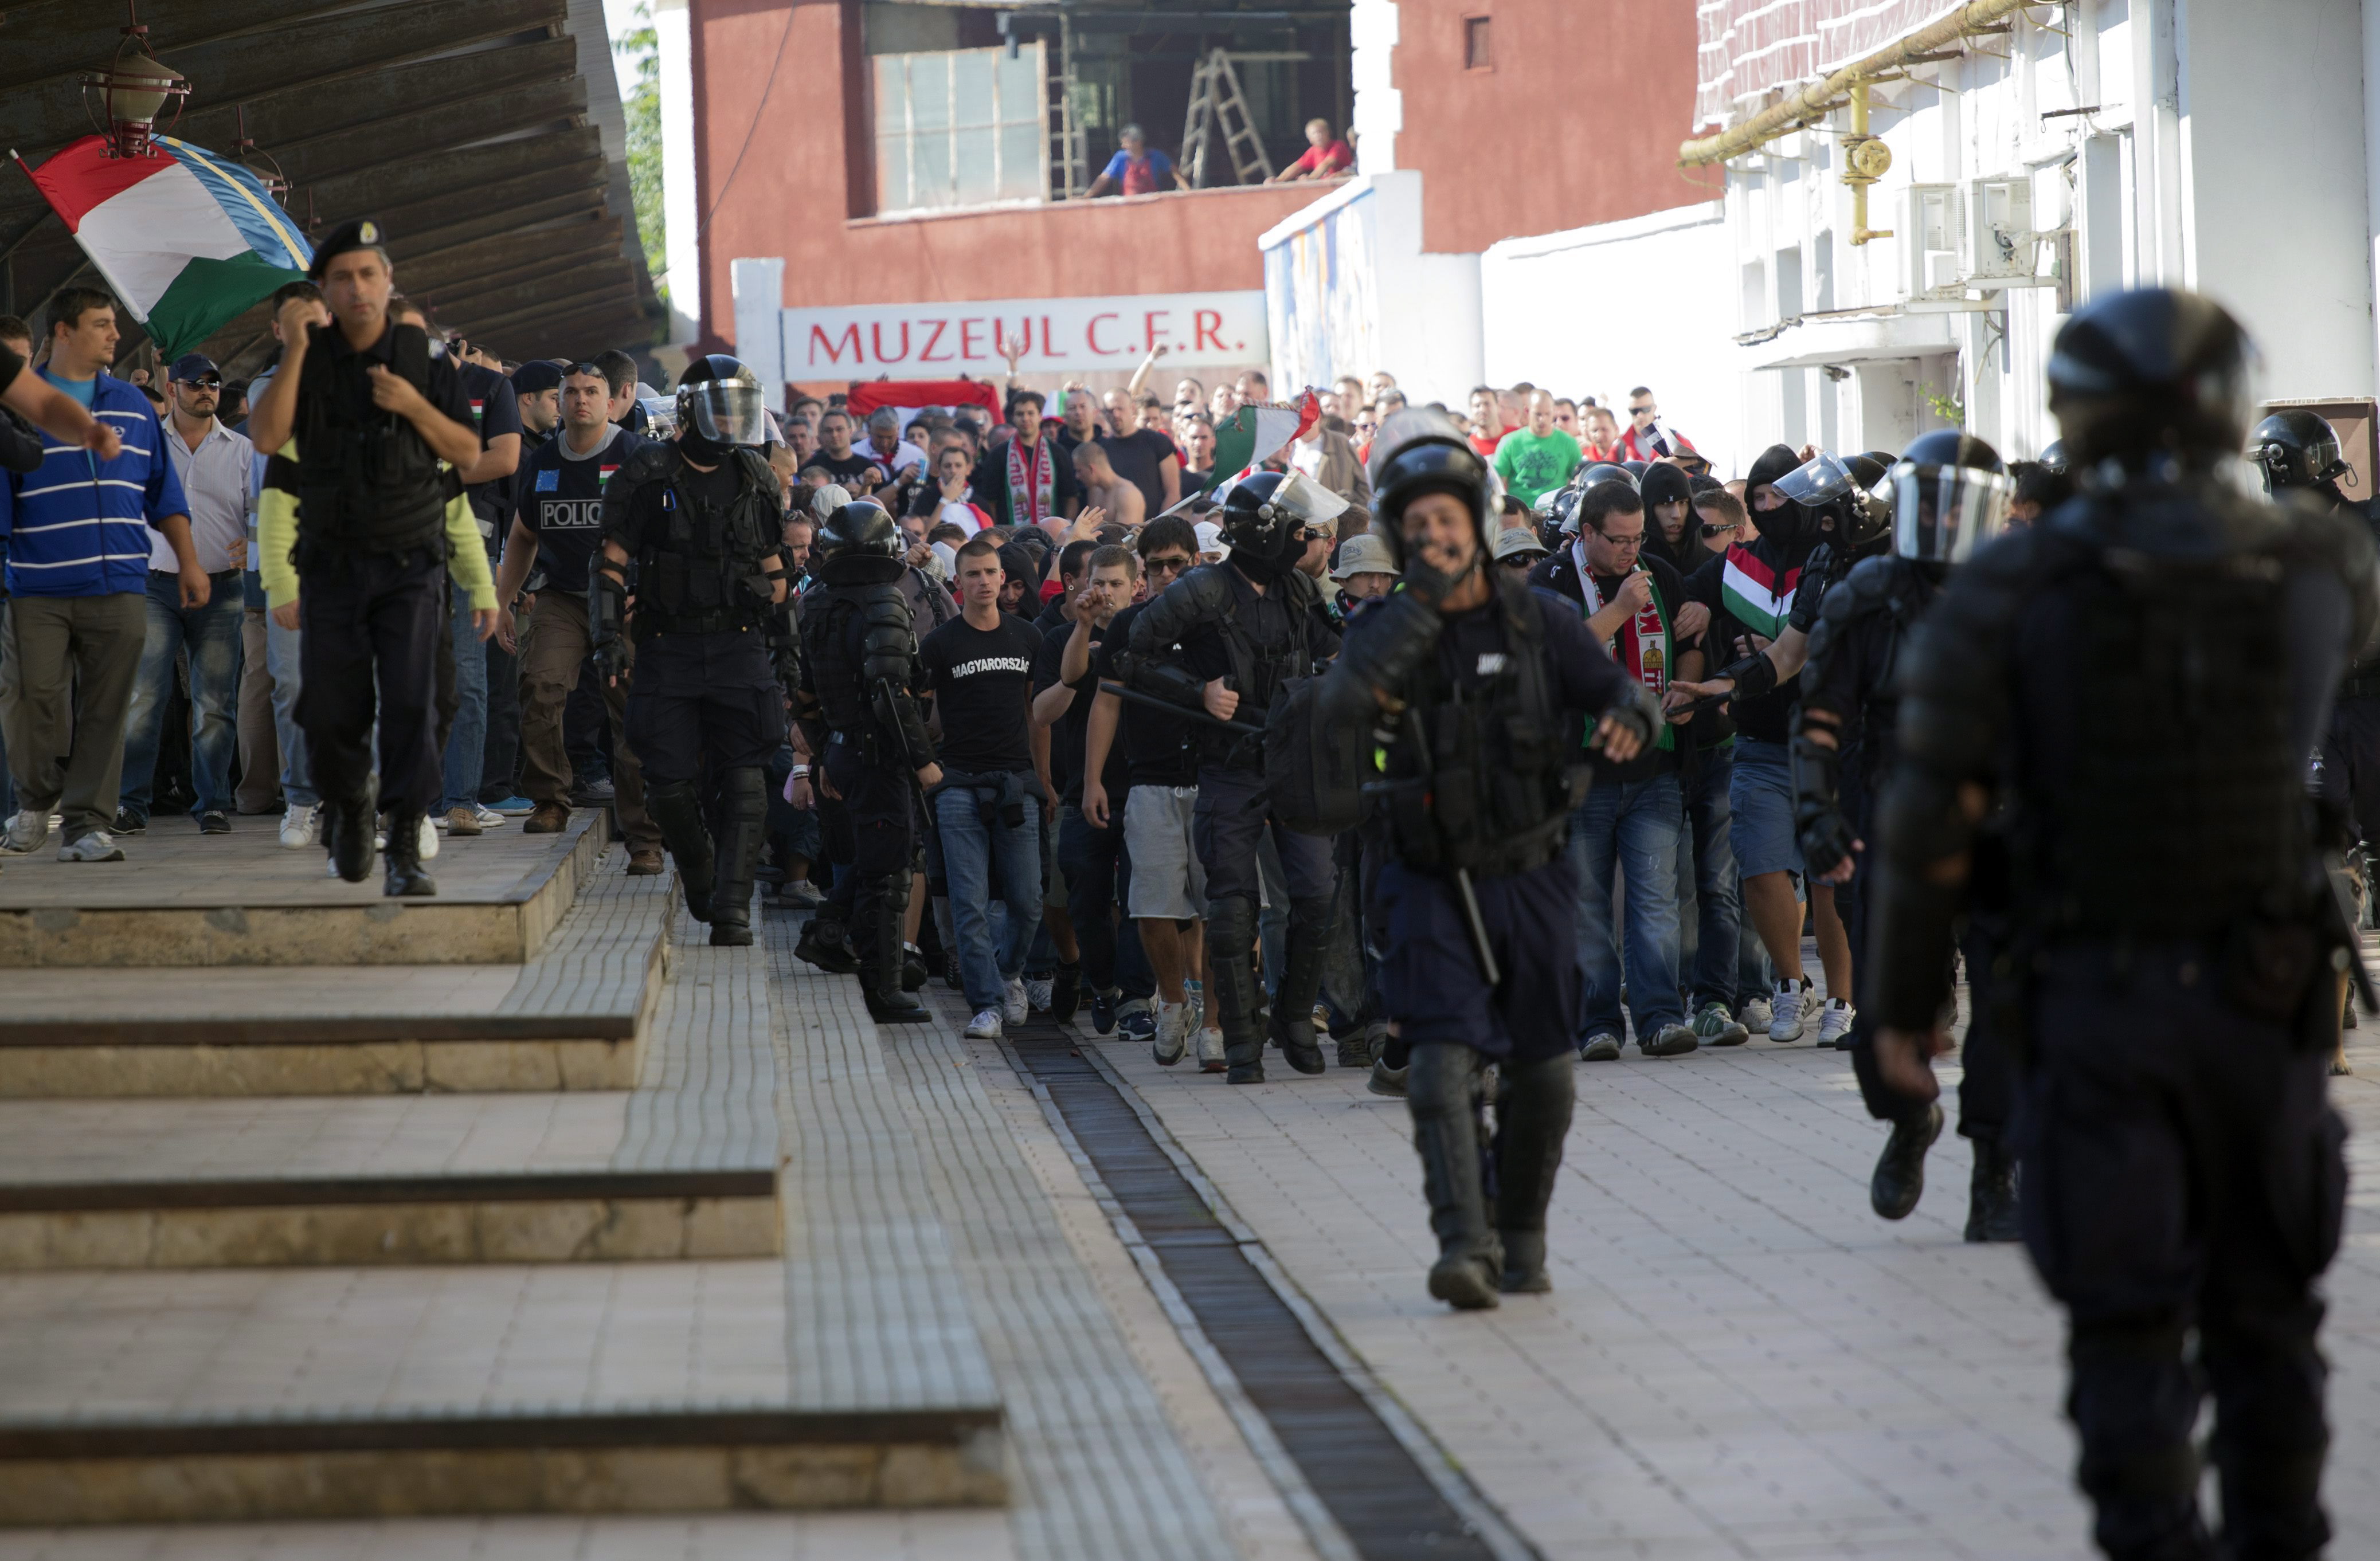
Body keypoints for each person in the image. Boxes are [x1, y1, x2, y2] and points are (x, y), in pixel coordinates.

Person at [1868, 287, 2375, 1561]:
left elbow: (1930, 835)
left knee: (2126, 1326)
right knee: (2268, 1325)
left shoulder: (2002, 592)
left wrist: (1899, 1018)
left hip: (2095, 994)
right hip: (2263, 1001)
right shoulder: (2315, 560)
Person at [1318, 408, 1658, 1309]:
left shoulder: (1538, 620)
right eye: (1417, 526)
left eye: (1448, 521)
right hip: (1429, 878)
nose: (1435, 537)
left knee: (1543, 1072)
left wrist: (1634, 714)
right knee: (1437, 1065)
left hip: (1535, 873)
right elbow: (1343, 709)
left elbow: (1622, 689)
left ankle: (1521, 1232)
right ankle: (1461, 1245)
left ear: (1477, 520)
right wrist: (1419, 612)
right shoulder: (1383, 629)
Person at [1790, 429, 2018, 1237]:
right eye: (1936, 498)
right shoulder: (1868, 596)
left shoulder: (2021, 598)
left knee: (2009, 1006)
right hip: (1897, 825)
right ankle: (1909, 1120)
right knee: (1884, 1019)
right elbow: (1819, 718)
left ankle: (1995, 1171)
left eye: (1965, 502)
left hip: (2003, 830)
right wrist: (1816, 813)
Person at [246, 224, 496, 895]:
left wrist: (413, 404)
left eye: (368, 275)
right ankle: (350, 806)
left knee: (414, 702)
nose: (357, 288)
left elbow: (468, 456)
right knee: (330, 708)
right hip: (331, 563)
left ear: (388, 283)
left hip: (410, 562)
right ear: (323, 292)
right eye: (342, 278)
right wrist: (298, 348)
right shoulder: (311, 358)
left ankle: (407, 845)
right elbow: (268, 437)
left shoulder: (422, 359)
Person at [1125, 470, 1345, 1082]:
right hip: (1229, 763)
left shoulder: (1299, 590)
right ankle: (1240, 1039)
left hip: (1295, 764)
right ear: (1268, 533)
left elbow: (1341, 646)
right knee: (1231, 904)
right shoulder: (1201, 590)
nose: (1307, 538)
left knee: (1318, 891)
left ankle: (1296, 1018)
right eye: (1298, 529)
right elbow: (1132, 656)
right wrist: (1199, 691)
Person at [1, 288, 203, 864]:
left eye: (115, 324)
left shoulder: (135, 408)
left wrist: (188, 560)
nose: (116, 334)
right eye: (101, 324)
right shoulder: (19, 400)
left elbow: (163, 492)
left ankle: (88, 822)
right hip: (36, 586)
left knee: (107, 707)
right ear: (62, 332)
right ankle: (37, 799)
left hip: (119, 585)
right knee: (29, 698)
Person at [593, 355, 791, 945]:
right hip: (666, 646)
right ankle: (703, 879)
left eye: (740, 408)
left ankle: (732, 908)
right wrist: (607, 639)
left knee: (748, 780)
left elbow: (779, 574)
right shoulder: (645, 472)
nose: (732, 420)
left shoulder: (759, 476)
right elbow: (608, 564)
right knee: (667, 782)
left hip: (739, 646)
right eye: (721, 407)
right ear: (691, 411)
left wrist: (788, 647)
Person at [1529, 482, 1705, 1058]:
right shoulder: (1550, 583)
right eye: (1618, 540)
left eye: (1638, 539)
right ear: (1586, 535)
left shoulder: (1658, 572)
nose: (1631, 551)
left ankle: (1660, 1017)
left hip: (1652, 768)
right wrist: (1621, 609)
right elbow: (1553, 659)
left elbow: (1693, 640)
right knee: (1585, 904)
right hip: (1580, 772)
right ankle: (1597, 1022)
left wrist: (1687, 687)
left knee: (1655, 898)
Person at [490, 363, 666, 870]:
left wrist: (648, 592)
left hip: (626, 601)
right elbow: (523, 535)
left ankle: (645, 839)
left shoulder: (638, 457)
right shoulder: (542, 461)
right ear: (560, 402)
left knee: (632, 718)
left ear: (612, 403)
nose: (581, 400)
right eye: (570, 392)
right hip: (562, 597)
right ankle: (550, 799)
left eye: (592, 392)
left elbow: (665, 535)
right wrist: (503, 599)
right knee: (539, 687)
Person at [793, 501, 940, 1021]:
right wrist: (921, 760)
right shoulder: (883, 603)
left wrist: (824, 755)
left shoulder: (817, 605)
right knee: (891, 873)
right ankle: (884, 989)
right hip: (880, 755)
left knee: (881, 858)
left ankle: (827, 933)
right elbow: (889, 692)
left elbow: (805, 696)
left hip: (844, 749)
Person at [1086, 517, 1211, 1061]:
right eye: (1155, 565)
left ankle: (1213, 1013)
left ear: (1194, 563)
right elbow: (1106, 702)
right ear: (1142, 573)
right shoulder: (1126, 626)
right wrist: (1092, 779)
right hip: (1150, 782)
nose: (1165, 574)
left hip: (1215, 782)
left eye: (1175, 563)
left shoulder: (1217, 625)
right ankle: (1174, 1002)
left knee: (1218, 907)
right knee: (1153, 906)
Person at [116, 352, 250, 838]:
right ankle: (131, 803)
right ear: (173, 389)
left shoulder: (242, 450)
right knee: (144, 698)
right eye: (196, 383)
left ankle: (212, 802)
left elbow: (262, 511)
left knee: (215, 701)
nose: (207, 390)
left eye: (214, 383)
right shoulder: (146, 445)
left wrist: (252, 542)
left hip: (221, 587)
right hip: (155, 584)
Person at [921, 536, 1046, 1038]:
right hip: (956, 784)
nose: (983, 582)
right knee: (968, 902)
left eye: (990, 572)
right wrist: (923, 764)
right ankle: (986, 1003)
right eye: (972, 574)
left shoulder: (1028, 638)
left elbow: (1038, 717)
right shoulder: (940, 643)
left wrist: (1045, 780)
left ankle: (1009, 972)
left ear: (1003, 578)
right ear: (959, 581)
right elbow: (915, 709)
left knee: (1028, 900)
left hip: (1017, 783)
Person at [977, 390, 1078, 530]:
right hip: (1011, 535)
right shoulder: (998, 454)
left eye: (1031, 413)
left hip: (1052, 535)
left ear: (1040, 416)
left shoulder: (1058, 452)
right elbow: (990, 501)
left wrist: (1066, 529)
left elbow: (1071, 496)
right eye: (1020, 414)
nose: (1025, 419)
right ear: (1012, 417)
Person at [1490, 390, 1582, 509]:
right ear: (1527, 411)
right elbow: (1498, 486)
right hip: (1521, 515)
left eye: (1547, 414)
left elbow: (1578, 480)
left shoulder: (1569, 443)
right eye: (1538, 414)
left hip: (1554, 514)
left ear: (1553, 412)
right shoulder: (1510, 442)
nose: (1542, 419)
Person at [1087, 124, 1187, 197]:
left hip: (1152, 204)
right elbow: (1104, 178)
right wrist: (1087, 196)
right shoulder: (1120, 158)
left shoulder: (1156, 156)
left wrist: (1188, 191)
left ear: (1138, 142)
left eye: (1126, 143)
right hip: (1128, 205)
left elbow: (1175, 173)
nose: (1123, 146)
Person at [1071, 441, 1146, 530]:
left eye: (1079, 471)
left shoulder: (1127, 494)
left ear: (1092, 469)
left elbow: (1124, 540)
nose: (1077, 476)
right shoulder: (1095, 490)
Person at [1618, 387, 1694, 463]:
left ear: (1654, 408)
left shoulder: (1676, 441)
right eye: (1634, 411)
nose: (1640, 415)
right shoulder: (1620, 447)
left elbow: (1699, 471)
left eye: (1645, 409)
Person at [1270, 119, 1353, 182]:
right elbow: (1297, 167)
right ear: (1310, 139)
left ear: (1329, 133)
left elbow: (1327, 164)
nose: (1319, 136)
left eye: (1321, 132)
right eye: (1315, 134)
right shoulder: (1312, 151)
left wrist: (1310, 179)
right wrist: (1278, 181)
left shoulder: (1338, 145)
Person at [1333, 532, 1398, 603]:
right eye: (1364, 574)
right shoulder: (1325, 614)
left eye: (1384, 575)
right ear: (1342, 580)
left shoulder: (1404, 614)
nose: (1375, 585)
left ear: (1391, 581)